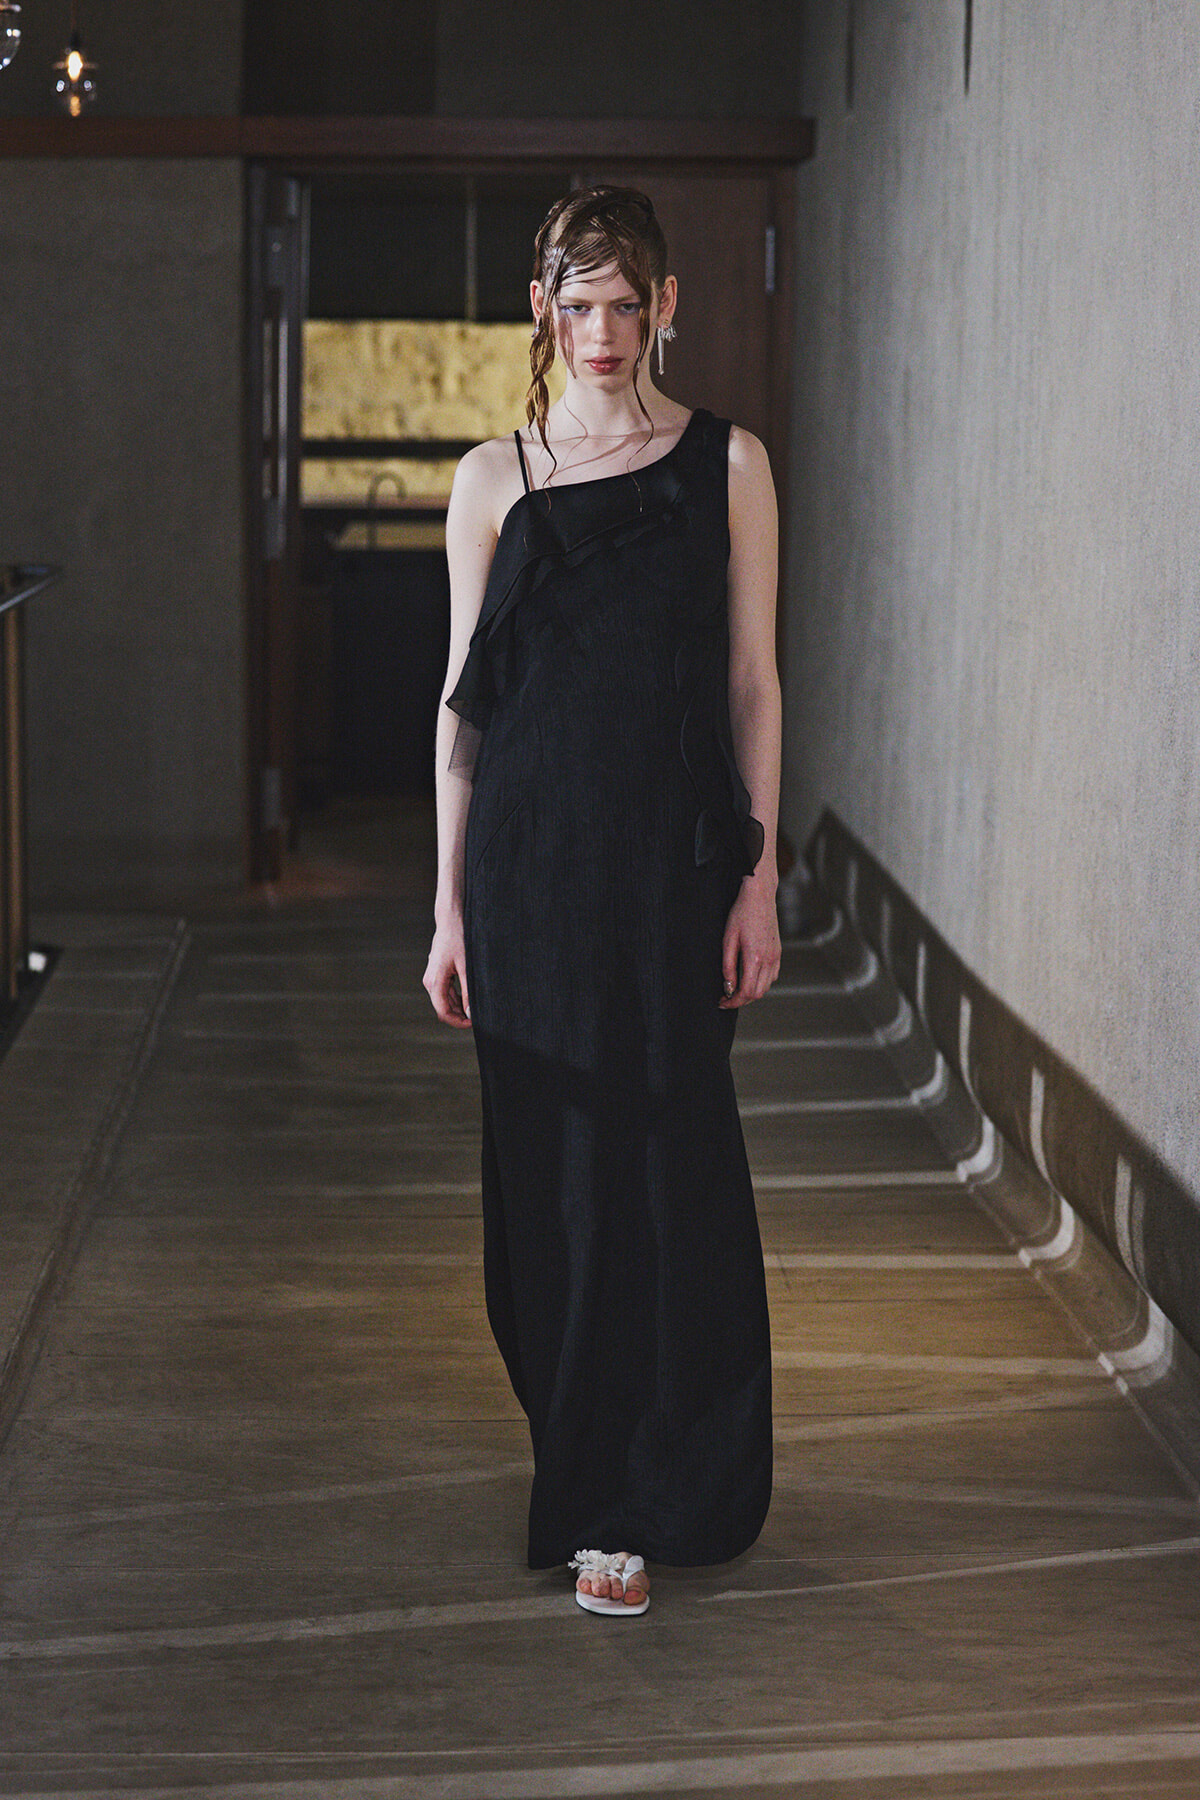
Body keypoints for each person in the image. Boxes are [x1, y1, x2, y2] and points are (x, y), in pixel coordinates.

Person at [423, 187, 781, 1617]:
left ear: (670, 305)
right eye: (581, 304)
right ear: (541, 310)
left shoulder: (728, 467)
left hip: (676, 871)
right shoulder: (491, 482)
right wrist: (449, 909)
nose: (607, 332)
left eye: (631, 304)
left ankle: (656, 1483)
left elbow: (753, 684)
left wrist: (757, 876)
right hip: (529, 878)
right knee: (554, 1195)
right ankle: (592, 1489)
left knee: (669, 1179)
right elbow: (463, 714)